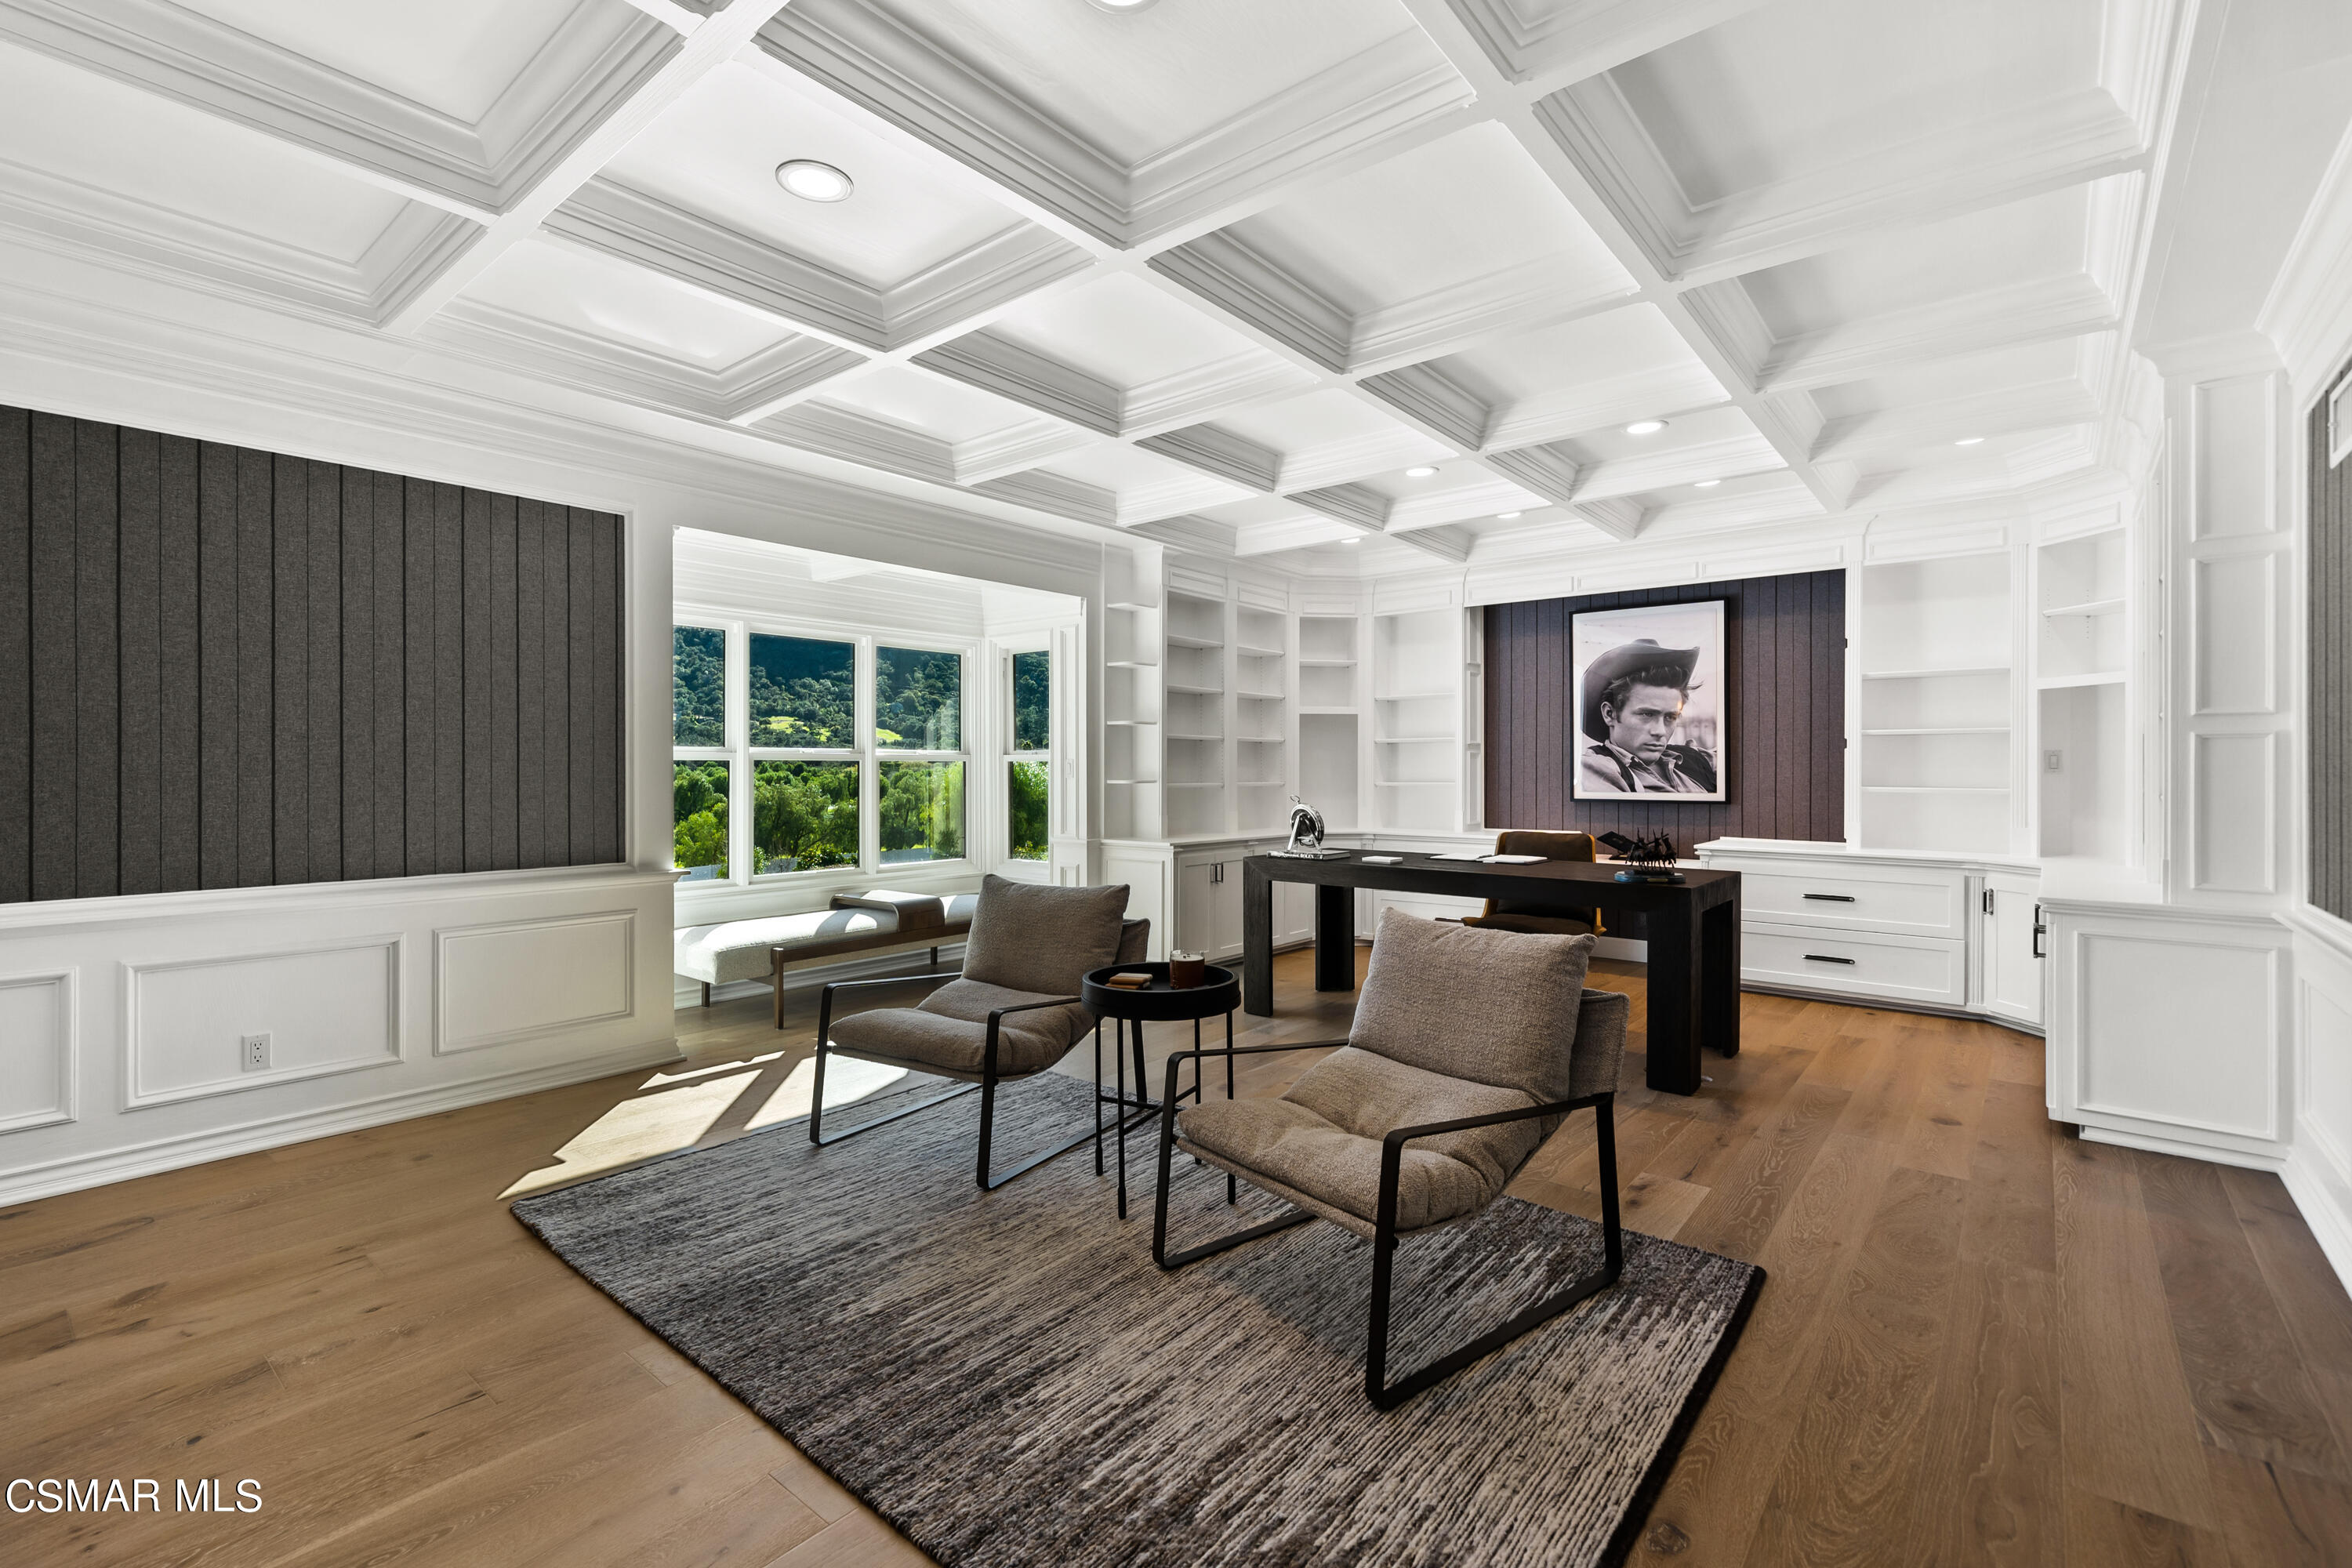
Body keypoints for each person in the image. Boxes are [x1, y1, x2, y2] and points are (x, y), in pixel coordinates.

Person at [1577, 638, 1719, 796]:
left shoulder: (1693, 759)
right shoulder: (1597, 769)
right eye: (1647, 714)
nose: (1660, 732)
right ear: (1610, 714)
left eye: (1670, 717)